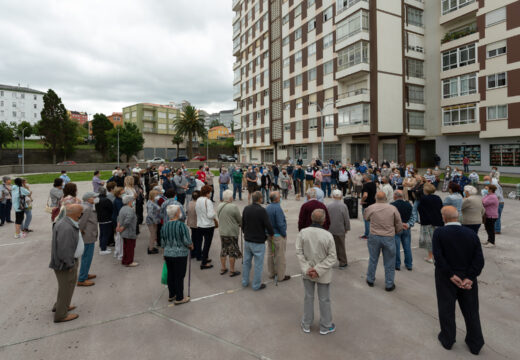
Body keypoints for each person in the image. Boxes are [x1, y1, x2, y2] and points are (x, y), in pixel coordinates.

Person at [433, 206, 485, 355]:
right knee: (471, 310)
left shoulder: (439, 233)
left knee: (446, 308)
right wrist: (470, 277)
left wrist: (450, 274)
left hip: (446, 277)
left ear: (444, 217)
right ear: (458, 217)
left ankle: (448, 339)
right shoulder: (471, 233)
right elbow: (479, 259)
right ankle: (475, 343)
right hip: (467, 277)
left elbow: (438, 256)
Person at [296, 209, 337, 335]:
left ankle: (306, 323)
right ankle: (325, 326)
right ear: (323, 220)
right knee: (324, 299)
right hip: (323, 273)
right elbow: (332, 257)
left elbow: (299, 252)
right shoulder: (327, 235)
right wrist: (318, 270)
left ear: (311, 218)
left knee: (308, 297)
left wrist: (308, 269)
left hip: (307, 272)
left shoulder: (303, 233)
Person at [49, 203, 83, 323]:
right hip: (65, 264)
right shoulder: (66, 227)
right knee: (66, 288)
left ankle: (60, 306)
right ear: (76, 214)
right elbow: (64, 249)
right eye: (80, 213)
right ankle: (61, 315)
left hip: (68, 262)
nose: (81, 215)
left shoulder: (66, 222)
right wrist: (69, 264)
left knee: (66, 287)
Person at [364, 192, 403, 291]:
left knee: (373, 259)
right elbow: (398, 222)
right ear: (386, 198)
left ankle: (370, 279)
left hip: (374, 236)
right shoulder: (392, 208)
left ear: (375, 198)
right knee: (389, 261)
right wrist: (397, 231)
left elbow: (366, 218)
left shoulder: (371, 208)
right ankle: (389, 284)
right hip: (388, 236)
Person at [241, 191, 274, 291]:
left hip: (248, 240)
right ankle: (256, 285)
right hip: (258, 242)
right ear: (260, 199)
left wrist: (245, 233)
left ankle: (245, 281)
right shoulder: (262, 211)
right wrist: (271, 234)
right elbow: (268, 225)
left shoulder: (246, 208)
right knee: (258, 265)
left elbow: (243, 223)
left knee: (246, 262)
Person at [161, 204, 193, 304]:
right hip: (180, 254)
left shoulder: (164, 226)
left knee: (171, 274)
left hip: (168, 253)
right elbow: (187, 241)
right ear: (176, 213)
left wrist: (164, 253)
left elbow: (163, 242)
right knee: (179, 276)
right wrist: (191, 246)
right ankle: (180, 298)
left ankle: (172, 294)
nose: (181, 212)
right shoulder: (182, 226)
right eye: (179, 211)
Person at [217, 190, 242, 277]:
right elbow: (239, 219)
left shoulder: (219, 205)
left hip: (222, 231)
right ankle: (232, 270)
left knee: (223, 250)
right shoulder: (233, 207)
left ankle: (223, 268)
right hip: (231, 232)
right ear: (230, 197)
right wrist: (240, 224)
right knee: (232, 251)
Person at [266, 192, 290, 282]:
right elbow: (280, 223)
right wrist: (284, 233)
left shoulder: (268, 207)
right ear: (276, 199)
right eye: (280, 196)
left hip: (270, 234)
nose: (280, 198)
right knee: (280, 256)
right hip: (278, 235)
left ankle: (271, 273)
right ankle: (280, 276)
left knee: (270, 254)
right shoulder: (277, 208)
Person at [418, 183, 444, 263]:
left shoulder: (423, 199)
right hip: (438, 221)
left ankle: (430, 256)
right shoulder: (438, 198)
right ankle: (437, 256)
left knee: (429, 240)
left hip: (427, 221)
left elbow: (420, 209)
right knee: (437, 239)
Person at [77, 192, 99, 286]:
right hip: (88, 235)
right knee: (87, 257)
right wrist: (81, 230)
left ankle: (85, 274)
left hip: (89, 234)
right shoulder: (87, 209)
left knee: (87, 257)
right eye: (94, 197)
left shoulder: (86, 206)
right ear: (88, 199)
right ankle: (82, 279)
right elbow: (81, 223)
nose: (95, 198)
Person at [391, 191, 415, 271]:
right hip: (406, 228)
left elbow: (391, 218)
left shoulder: (392, 205)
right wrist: (408, 224)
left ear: (395, 196)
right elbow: (413, 217)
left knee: (396, 247)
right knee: (407, 247)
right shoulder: (409, 204)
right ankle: (409, 264)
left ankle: (397, 264)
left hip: (396, 228)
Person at [327, 190, 350, 269]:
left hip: (330, 229)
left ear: (333, 196)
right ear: (341, 196)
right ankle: (343, 262)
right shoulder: (343, 206)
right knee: (341, 246)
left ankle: (328, 262)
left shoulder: (328, 205)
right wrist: (347, 228)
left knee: (329, 247)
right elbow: (346, 218)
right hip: (340, 229)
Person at [195, 185, 216, 270]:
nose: (210, 193)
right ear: (207, 193)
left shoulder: (198, 200)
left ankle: (205, 258)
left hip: (200, 224)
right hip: (208, 225)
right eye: (210, 192)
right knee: (207, 244)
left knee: (203, 243)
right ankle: (204, 262)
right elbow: (210, 215)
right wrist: (214, 213)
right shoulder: (208, 201)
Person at [116, 195, 139, 267]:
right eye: (132, 201)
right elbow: (128, 220)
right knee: (130, 247)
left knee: (125, 247)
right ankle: (129, 261)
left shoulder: (122, 208)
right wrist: (122, 227)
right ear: (129, 202)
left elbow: (119, 218)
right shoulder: (130, 210)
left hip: (124, 232)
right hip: (129, 231)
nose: (133, 202)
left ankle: (125, 260)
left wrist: (118, 226)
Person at [95, 187, 113, 255]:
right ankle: (103, 249)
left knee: (102, 233)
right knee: (105, 234)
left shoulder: (97, 199)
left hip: (100, 219)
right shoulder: (106, 200)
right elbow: (111, 208)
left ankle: (102, 246)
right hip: (106, 219)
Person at [360, 174, 377, 239]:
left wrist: (362, 201)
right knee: (372, 220)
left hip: (366, 204)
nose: (363, 179)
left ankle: (367, 234)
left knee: (366, 220)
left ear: (367, 178)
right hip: (373, 203)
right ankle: (372, 233)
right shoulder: (374, 184)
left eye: (364, 177)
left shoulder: (366, 185)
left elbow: (365, 195)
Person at [481, 184, 499, 248]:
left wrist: (482, 201)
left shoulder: (492, 197)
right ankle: (489, 240)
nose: (486, 189)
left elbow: (484, 203)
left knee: (490, 229)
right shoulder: (488, 195)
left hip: (492, 216)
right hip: (488, 215)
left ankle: (492, 242)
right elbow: (482, 200)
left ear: (491, 190)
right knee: (488, 229)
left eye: (487, 188)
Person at [145, 189, 161, 254]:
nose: (158, 196)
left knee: (154, 234)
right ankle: (150, 249)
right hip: (151, 222)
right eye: (157, 195)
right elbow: (150, 214)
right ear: (153, 195)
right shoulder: (150, 204)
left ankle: (152, 246)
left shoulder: (153, 201)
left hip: (154, 221)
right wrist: (155, 221)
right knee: (153, 235)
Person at [186, 191, 201, 260]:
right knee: (198, 239)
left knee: (193, 237)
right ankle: (198, 254)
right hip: (198, 223)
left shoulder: (189, 203)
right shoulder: (198, 204)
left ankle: (192, 252)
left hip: (191, 223)